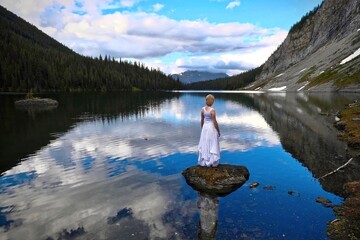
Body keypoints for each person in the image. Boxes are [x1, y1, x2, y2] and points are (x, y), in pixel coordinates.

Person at [198, 94, 220, 167]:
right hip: (211, 128)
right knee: (212, 143)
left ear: (206, 101)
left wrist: (202, 128)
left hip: (205, 127)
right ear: (212, 101)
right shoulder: (212, 110)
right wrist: (218, 131)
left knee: (205, 143)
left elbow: (202, 120)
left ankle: (205, 160)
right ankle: (212, 161)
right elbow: (214, 121)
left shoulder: (202, 109)